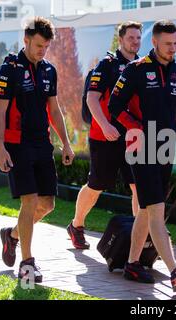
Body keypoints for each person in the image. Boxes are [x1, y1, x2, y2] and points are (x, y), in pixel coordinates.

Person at [108, 20, 176, 292]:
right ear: (155, 42)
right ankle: (175, 271)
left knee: (146, 211)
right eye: (168, 44)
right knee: (156, 209)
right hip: (140, 150)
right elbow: (114, 105)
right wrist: (137, 128)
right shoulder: (136, 70)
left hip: (166, 148)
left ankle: (133, 263)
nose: (173, 48)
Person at [0, 17, 75, 283]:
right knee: (29, 201)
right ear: (26, 39)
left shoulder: (49, 70)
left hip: (43, 143)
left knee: (47, 204)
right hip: (17, 144)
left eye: (46, 46)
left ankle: (13, 235)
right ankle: (27, 265)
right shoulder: (9, 70)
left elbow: (53, 109)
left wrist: (65, 142)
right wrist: (0, 148)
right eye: (39, 45)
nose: (43, 50)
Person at [66, 21, 143, 250]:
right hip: (104, 137)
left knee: (138, 186)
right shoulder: (107, 65)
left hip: (133, 138)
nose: (135, 42)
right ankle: (76, 225)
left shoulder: (142, 66)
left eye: (138, 37)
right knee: (97, 185)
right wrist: (106, 126)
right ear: (121, 40)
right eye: (131, 37)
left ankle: (140, 239)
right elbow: (92, 98)